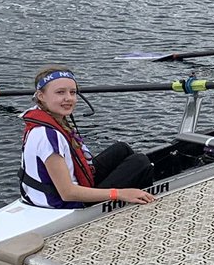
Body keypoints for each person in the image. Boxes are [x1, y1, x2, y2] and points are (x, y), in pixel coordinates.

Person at [19, 66, 156, 209]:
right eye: (60, 92)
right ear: (41, 96)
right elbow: (67, 193)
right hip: (61, 203)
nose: (68, 98)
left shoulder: (42, 116)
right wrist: (120, 194)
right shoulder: (47, 136)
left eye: (72, 92)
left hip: (46, 193)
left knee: (122, 149)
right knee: (140, 162)